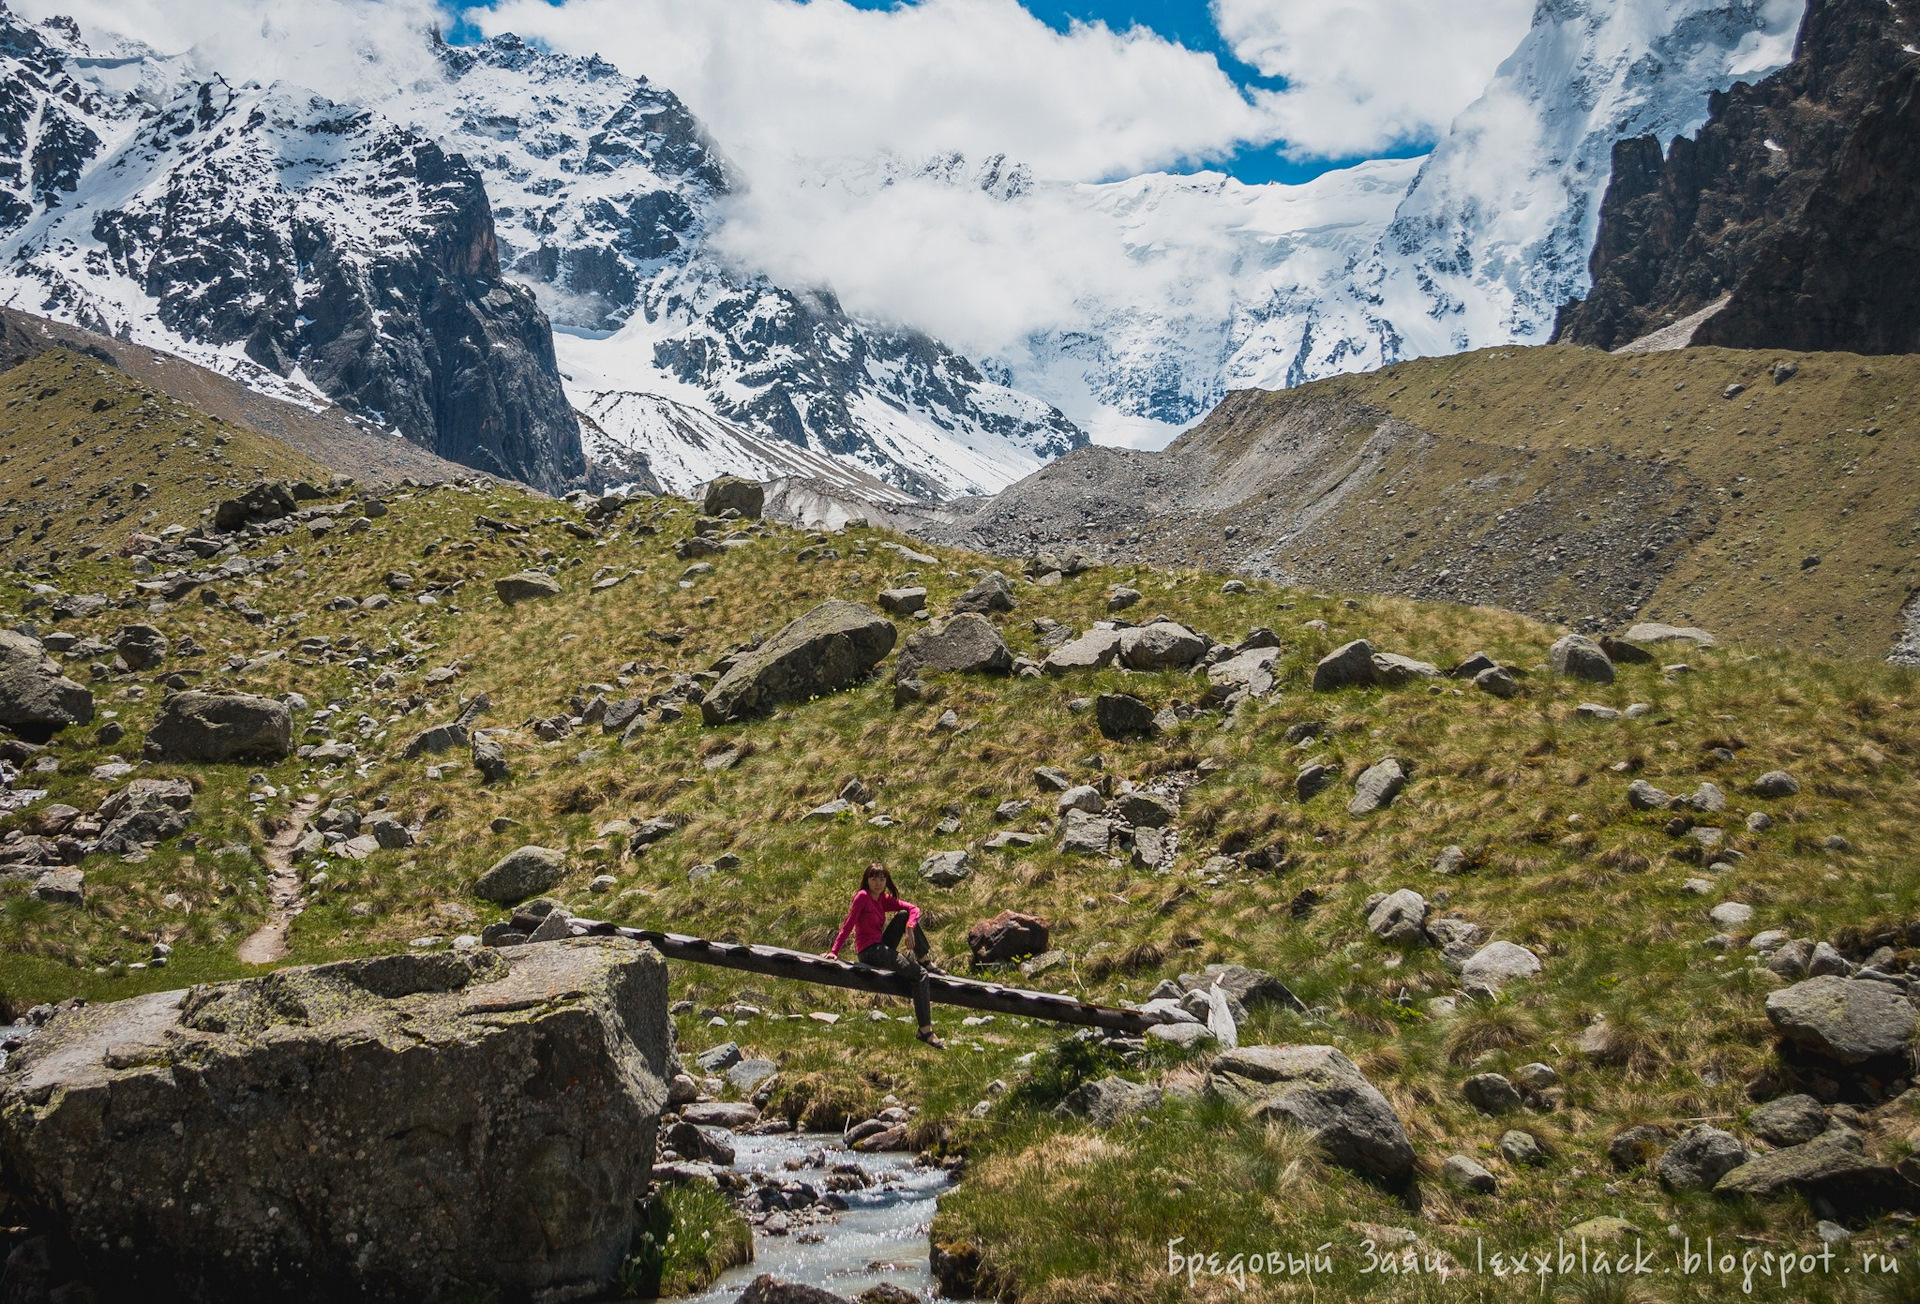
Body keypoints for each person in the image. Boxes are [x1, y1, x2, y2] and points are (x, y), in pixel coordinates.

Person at [824, 862, 944, 1047]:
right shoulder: (862, 897)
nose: (878, 883)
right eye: (873, 878)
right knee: (919, 975)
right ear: (867, 880)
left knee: (904, 915)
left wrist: (910, 928)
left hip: (880, 946)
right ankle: (925, 1030)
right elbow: (849, 924)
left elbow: (914, 909)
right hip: (869, 952)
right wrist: (834, 951)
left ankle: (924, 959)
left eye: (882, 878)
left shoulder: (882, 899)